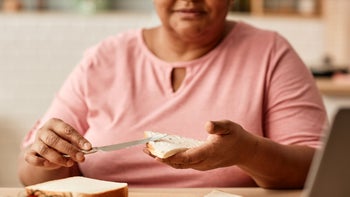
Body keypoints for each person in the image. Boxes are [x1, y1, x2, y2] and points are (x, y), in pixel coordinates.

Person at [18, 0, 328, 189]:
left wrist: (246, 153)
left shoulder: (271, 53)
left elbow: (319, 171)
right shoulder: (104, 58)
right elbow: (32, 175)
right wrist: (50, 158)